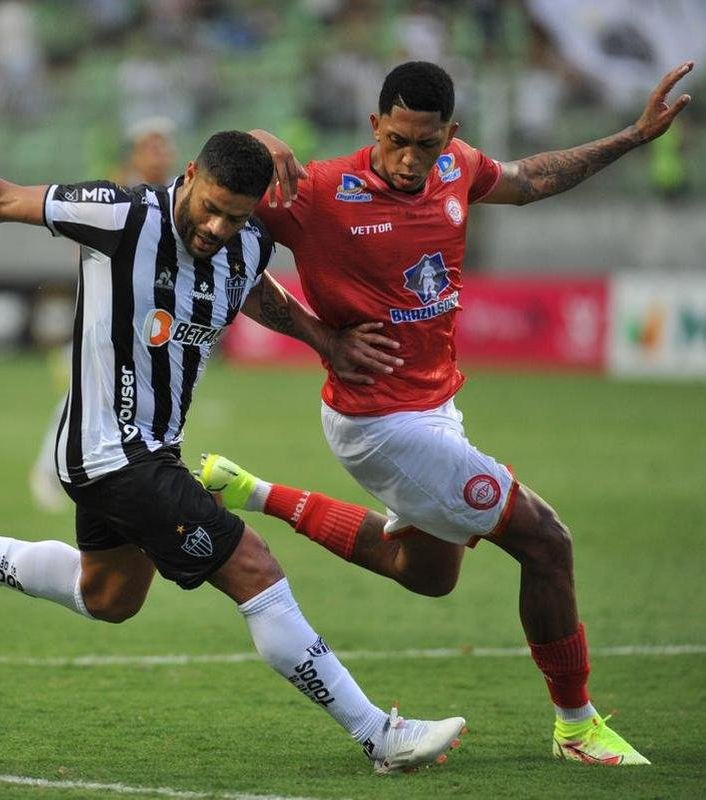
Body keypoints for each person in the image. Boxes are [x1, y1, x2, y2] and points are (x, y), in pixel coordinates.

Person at [0, 126, 465, 773]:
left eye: (235, 217)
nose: (216, 228)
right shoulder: (121, 215)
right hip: (112, 454)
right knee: (253, 568)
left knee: (109, 597)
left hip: (147, 454)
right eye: (210, 208)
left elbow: (252, 286)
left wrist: (324, 340)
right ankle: (378, 735)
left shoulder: (243, 243)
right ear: (189, 175)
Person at [197, 59, 695, 767]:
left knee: (426, 573)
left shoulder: (458, 167)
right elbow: (230, 255)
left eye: (425, 144)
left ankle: (252, 491)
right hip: (379, 424)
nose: (409, 158)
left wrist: (633, 137)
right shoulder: (317, 192)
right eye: (396, 140)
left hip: (434, 409)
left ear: (450, 134)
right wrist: (321, 337)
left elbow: (529, 179)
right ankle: (577, 726)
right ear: (374, 125)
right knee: (546, 542)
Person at [29, 115, 180, 513]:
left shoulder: (177, 193)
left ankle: (134, 467)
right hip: (111, 314)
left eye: (164, 145)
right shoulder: (118, 191)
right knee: (84, 394)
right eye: (152, 146)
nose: (161, 153)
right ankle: (49, 470)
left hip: (152, 320)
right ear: (136, 153)